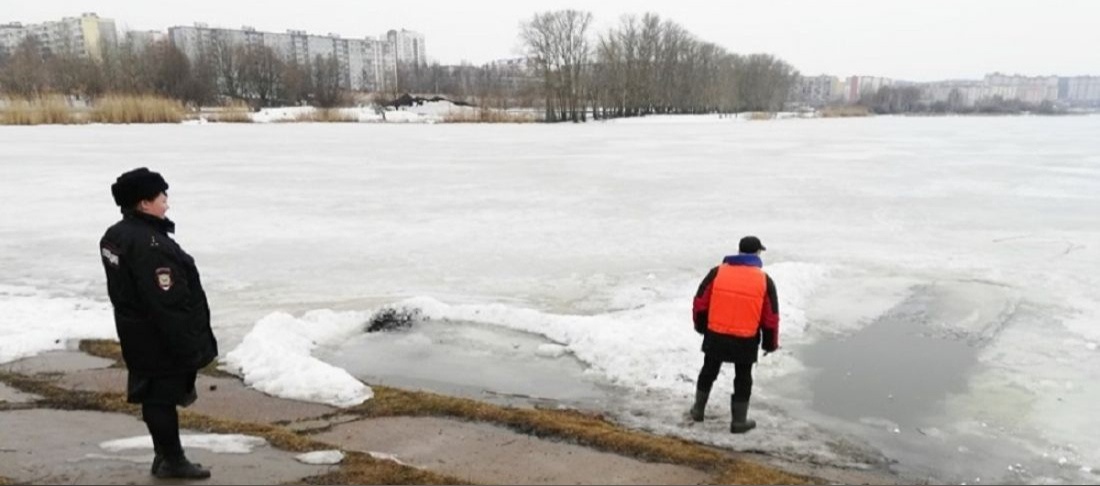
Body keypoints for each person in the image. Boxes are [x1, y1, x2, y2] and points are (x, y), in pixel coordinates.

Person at [99, 168, 217, 479]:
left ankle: (163, 454)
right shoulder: (150, 245)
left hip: (135, 329)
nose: (167, 202)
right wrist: (189, 344)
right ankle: (172, 460)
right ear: (143, 203)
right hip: (157, 335)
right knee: (160, 397)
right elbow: (166, 301)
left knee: (153, 394)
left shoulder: (116, 235)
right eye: (161, 196)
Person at [689, 236, 779, 433]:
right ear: (757, 253)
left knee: (709, 370)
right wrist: (770, 343)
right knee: (743, 377)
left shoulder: (717, 272)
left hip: (716, 334)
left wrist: (702, 326)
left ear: (739, 251)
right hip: (746, 339)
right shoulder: (764, 280)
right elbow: (771, 316)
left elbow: (700, 301)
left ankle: (697, 410)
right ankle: (739, 422)